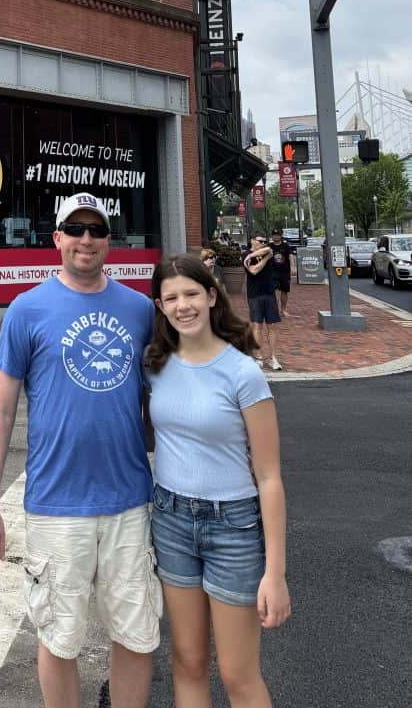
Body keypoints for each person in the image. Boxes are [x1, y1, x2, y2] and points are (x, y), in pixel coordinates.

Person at [0, 192, 162, 708]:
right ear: (56, 238)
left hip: (129, 501)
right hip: (57, 506)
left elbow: (167, 395)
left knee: (136, 632)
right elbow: (1, 412)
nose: (86, 239)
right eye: (74, 229)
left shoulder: (140, 309)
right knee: (59, 637)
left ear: (109, 240)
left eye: (96, 230)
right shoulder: (26, 310)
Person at [145, 254, 291, 707]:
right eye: (171, 298)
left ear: (211, 296)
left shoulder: (242, 373)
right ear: (160, 306)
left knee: (238, 674)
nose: (182, 305)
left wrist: (276, 573)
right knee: (187, 661)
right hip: (170, 519)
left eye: (191, 293)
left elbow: (268, 476)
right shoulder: (156, 364)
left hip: (233, 527)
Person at [243, 235, 283, 371]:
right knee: (257, 325)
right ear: (252, 241)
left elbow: (269, 251)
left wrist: (263, 255)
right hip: (255, 294)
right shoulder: (245, 255)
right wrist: (262, 258)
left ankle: (273, 357)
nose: (263, 243)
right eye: (260, 241)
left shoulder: (267, 251)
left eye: (264, 241)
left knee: (272, 325)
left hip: (269, 293)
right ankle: (259, 356)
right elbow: (253, 270)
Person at [267, 228, 292, 318]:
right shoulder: (269, 246)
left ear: (280, 236)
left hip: (284, 272)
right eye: (274, 235)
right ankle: (272, 310)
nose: (276, 236)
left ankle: (283, 310)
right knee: (270, 291)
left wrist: (293, 267)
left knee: (284, 291)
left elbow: (290, 256)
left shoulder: (286, 246)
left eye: (277, 235)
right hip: (272, 272)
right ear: (272, 236)